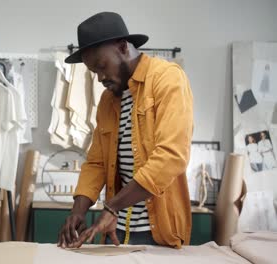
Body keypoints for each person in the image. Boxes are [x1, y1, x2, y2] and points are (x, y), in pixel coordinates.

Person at [57, 12, 194, 248]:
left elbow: (171, 156)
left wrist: (112, 206)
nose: (100, 78)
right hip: (115, 231)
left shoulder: (167, 79)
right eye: (94, 72)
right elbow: (97, 162)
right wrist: (77, 211)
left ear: (122, 48)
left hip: (160, 232)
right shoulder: (108, 101)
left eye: (102, 66)